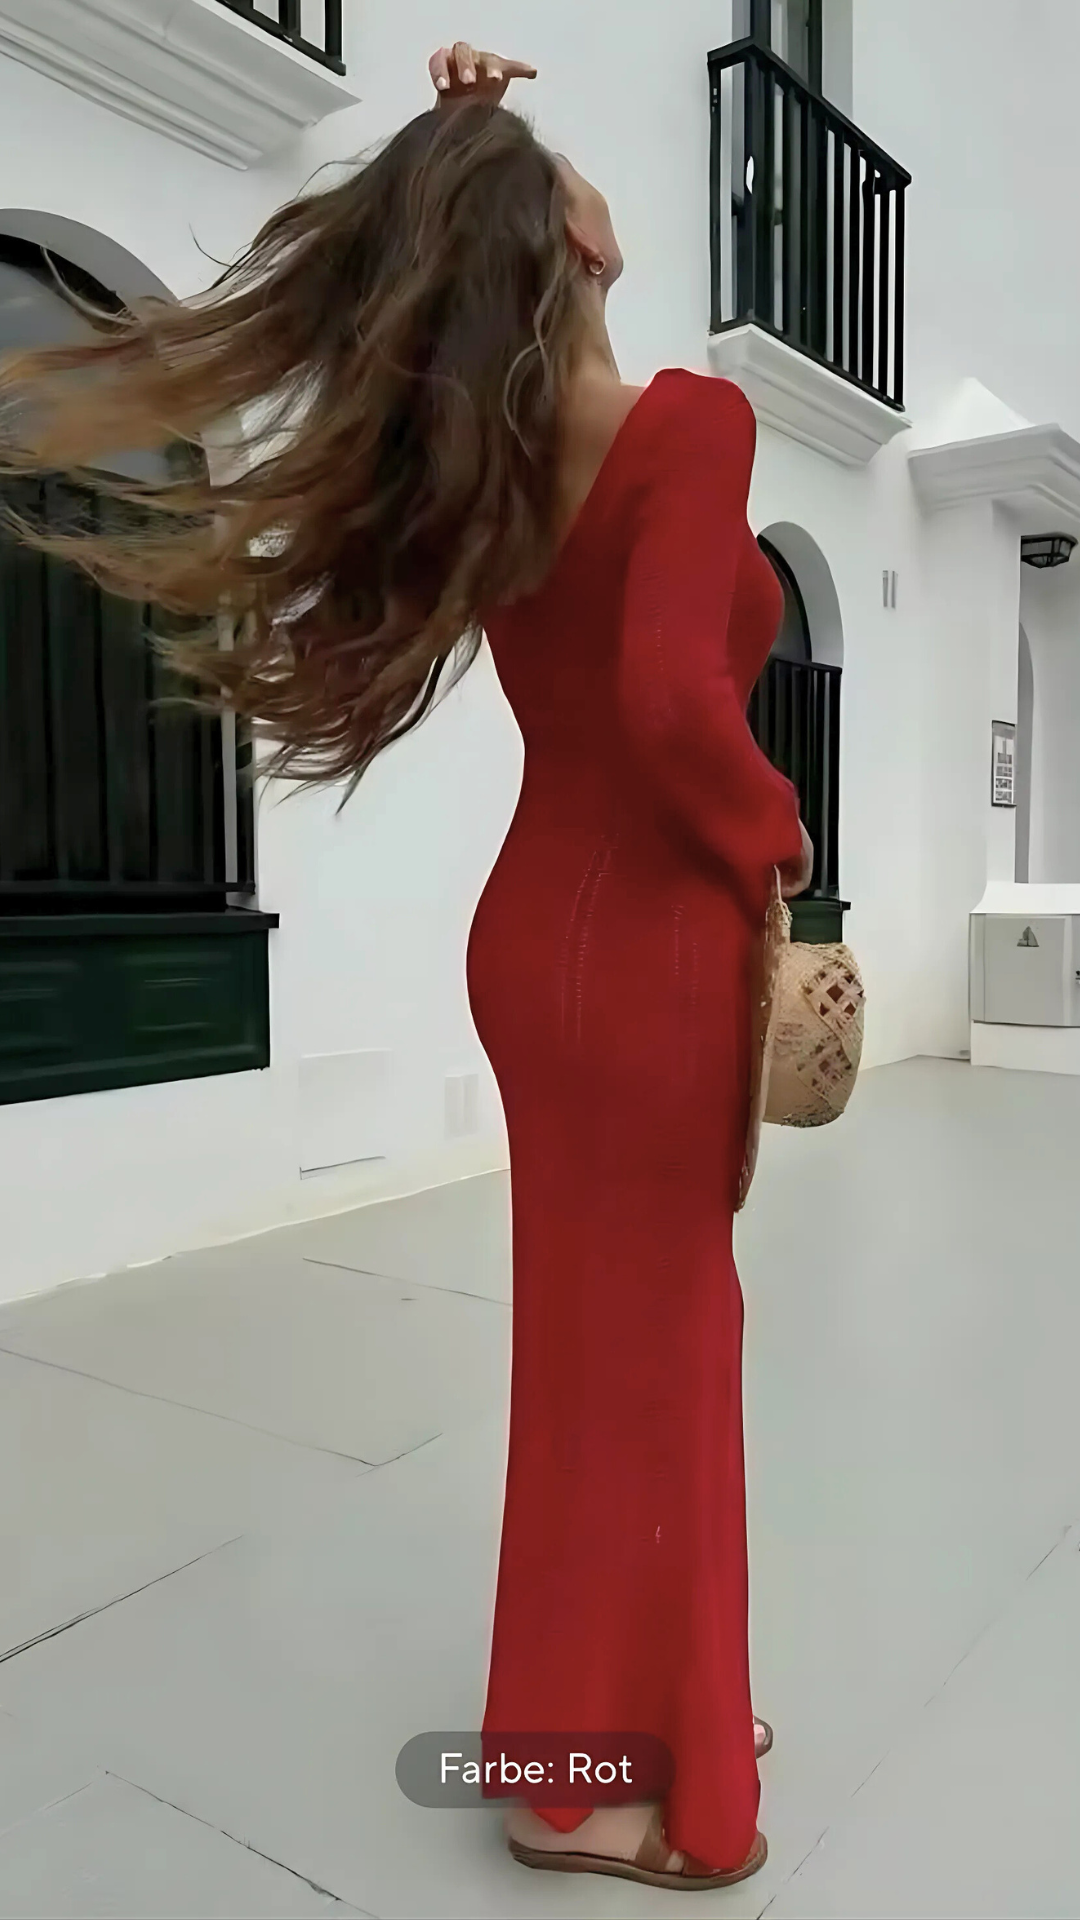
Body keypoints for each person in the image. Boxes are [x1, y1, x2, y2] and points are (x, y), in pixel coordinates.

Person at [0, 40, 812, 1892]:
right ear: (571, 242)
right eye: (558, 168)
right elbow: (674, 704)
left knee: (604, 1348)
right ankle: (586, 1783)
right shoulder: (690, 427)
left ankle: (622, 1721)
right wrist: (780, 836)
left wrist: (470, 134)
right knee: (666, 1346)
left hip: (539, 936)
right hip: (652, 938)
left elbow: (605, 592)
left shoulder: (504, 462)